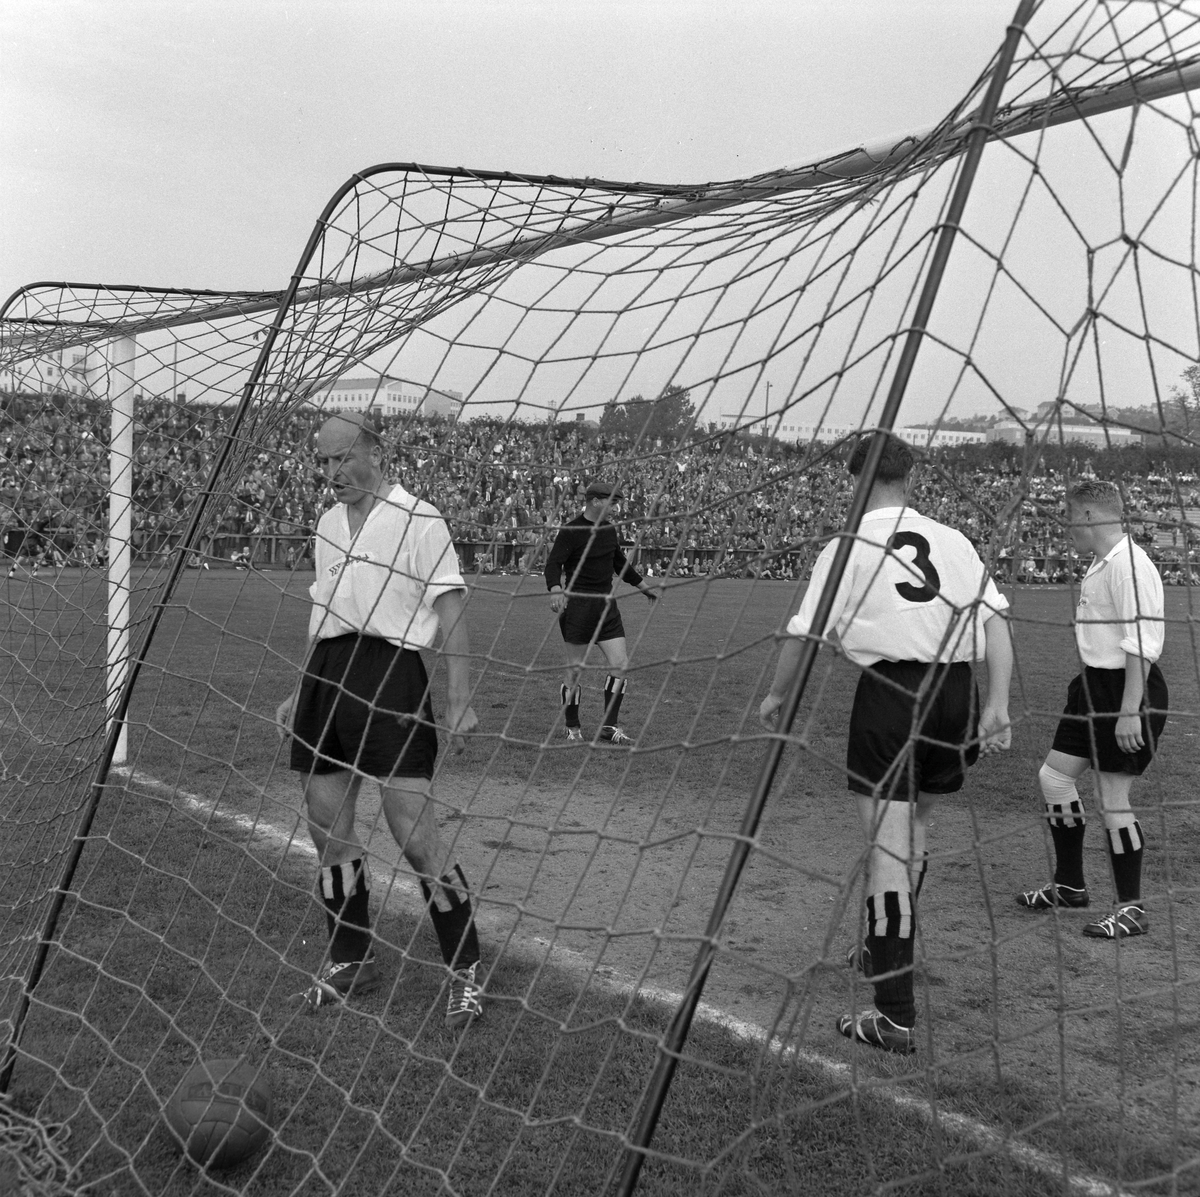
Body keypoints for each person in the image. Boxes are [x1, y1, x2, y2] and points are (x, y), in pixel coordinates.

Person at [759, 433, 1012, 1054]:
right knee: (916, 832)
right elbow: (996, 620)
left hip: (893, 693)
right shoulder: (953, 539)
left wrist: (777, 695)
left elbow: (806, 632)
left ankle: (893, 1013)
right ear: (909, 476)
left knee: (886, 849)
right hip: (957, 693)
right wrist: (999, 704)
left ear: (856, 479)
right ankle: (880, 948)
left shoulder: (848, 544)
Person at [276, 412, 484, 1029]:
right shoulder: (327, 524)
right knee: (324, 823)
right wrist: (298, 691)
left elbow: (451, 609)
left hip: (391, 672)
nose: (330, 473)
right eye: (322, 462)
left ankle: (465, 968)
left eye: (341, 459)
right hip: (327, 675)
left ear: (374, 452)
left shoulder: (420, 518)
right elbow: (326, 615)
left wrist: (458, 697)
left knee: (413, 831)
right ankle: (351, 957)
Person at [1016, 479, 1166, 939]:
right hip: (1093, 687)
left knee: (1112, 798)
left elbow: (1141, 644)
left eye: (1068, 517)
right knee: (1054, 777)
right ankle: (1070, 886)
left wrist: (1127, 711)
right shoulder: (1103, 563)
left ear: (1086, 515)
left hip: (1126, 691)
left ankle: (1131, 908)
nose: (1066, 528)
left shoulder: (1130, 566)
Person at [545, 482, 659, 745]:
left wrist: (644, 588)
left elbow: (619, 563)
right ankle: (572, 727)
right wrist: (555, 589)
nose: (616, 507)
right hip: (578, 607)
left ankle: (609, 726)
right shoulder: (571, 531)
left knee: (620, 665)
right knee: (574, 670)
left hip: (606, 607)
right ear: (596, 501)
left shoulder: (608, 530)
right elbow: (554, 563)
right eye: (612, 502)